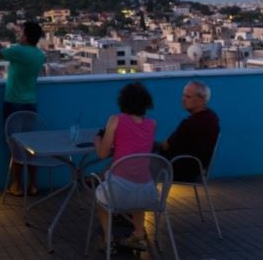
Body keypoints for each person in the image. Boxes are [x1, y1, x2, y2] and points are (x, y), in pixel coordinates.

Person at [93, 82, 158, 252]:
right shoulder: (152, 124)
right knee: (136, 195)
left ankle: (108, 240)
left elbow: (102, 154)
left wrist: (97, 141)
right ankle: (139, 236)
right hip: (147, 192)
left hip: (119, 191)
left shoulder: (115, 120)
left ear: (123, 102)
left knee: (101, 201)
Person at [0, 21, 46, 196]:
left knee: (16, 145)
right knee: (31, 145)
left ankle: (17, 185)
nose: (19, 35)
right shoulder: (39, 54)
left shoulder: (18, 51)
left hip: (13, 103)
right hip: (30, 104)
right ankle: (33, 185)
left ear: (26, 36)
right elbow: (7, 53)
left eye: (21, 32)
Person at [157, 80, 220, 182]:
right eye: (183, 95)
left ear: (202, 99)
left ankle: (143, 190)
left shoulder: (191, 123)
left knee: (145, 156)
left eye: (188, 97)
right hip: (198, 169)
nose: (183, 99)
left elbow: (166, 146)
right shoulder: (212, 118)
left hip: (181, 169)